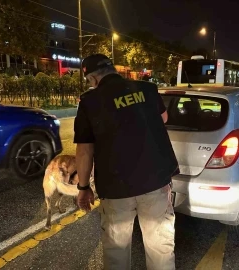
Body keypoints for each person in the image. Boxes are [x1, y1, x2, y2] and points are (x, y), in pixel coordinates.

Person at [73, 54, 179, 270]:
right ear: (113, 69)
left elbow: (84, 150)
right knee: (160, 248)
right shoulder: (148, 89)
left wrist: (83, 187)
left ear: (92, 79)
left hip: (115, 187)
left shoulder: (89, 102)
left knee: (117, 252)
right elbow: (164, 118)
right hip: (155, 180)